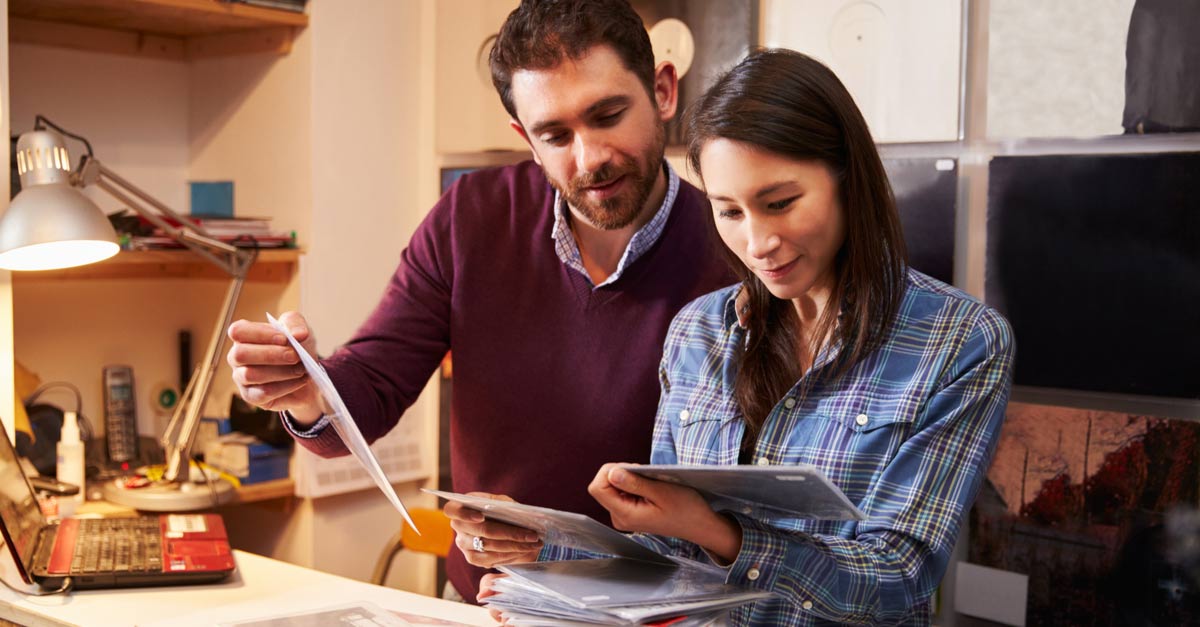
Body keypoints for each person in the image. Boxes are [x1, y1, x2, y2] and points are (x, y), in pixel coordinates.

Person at [224, 0, 732, 603]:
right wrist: (310, 393)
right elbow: (367, 393)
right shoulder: (470, 219)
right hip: (490, 602)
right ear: (524, 138)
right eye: (555, 135)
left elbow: (740, 517)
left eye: (608, 114)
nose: (589, 158)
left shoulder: (735, 252)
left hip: (660, 610)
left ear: (663, 91)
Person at [497, 49, 1016, 625]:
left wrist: (716, 530)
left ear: (847, 178)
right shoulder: (699, 332)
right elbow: (678, 561)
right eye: (730, 212)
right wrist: (544, 543)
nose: (758, 242)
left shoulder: (959, 340)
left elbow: (895, 579)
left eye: (780, 203)